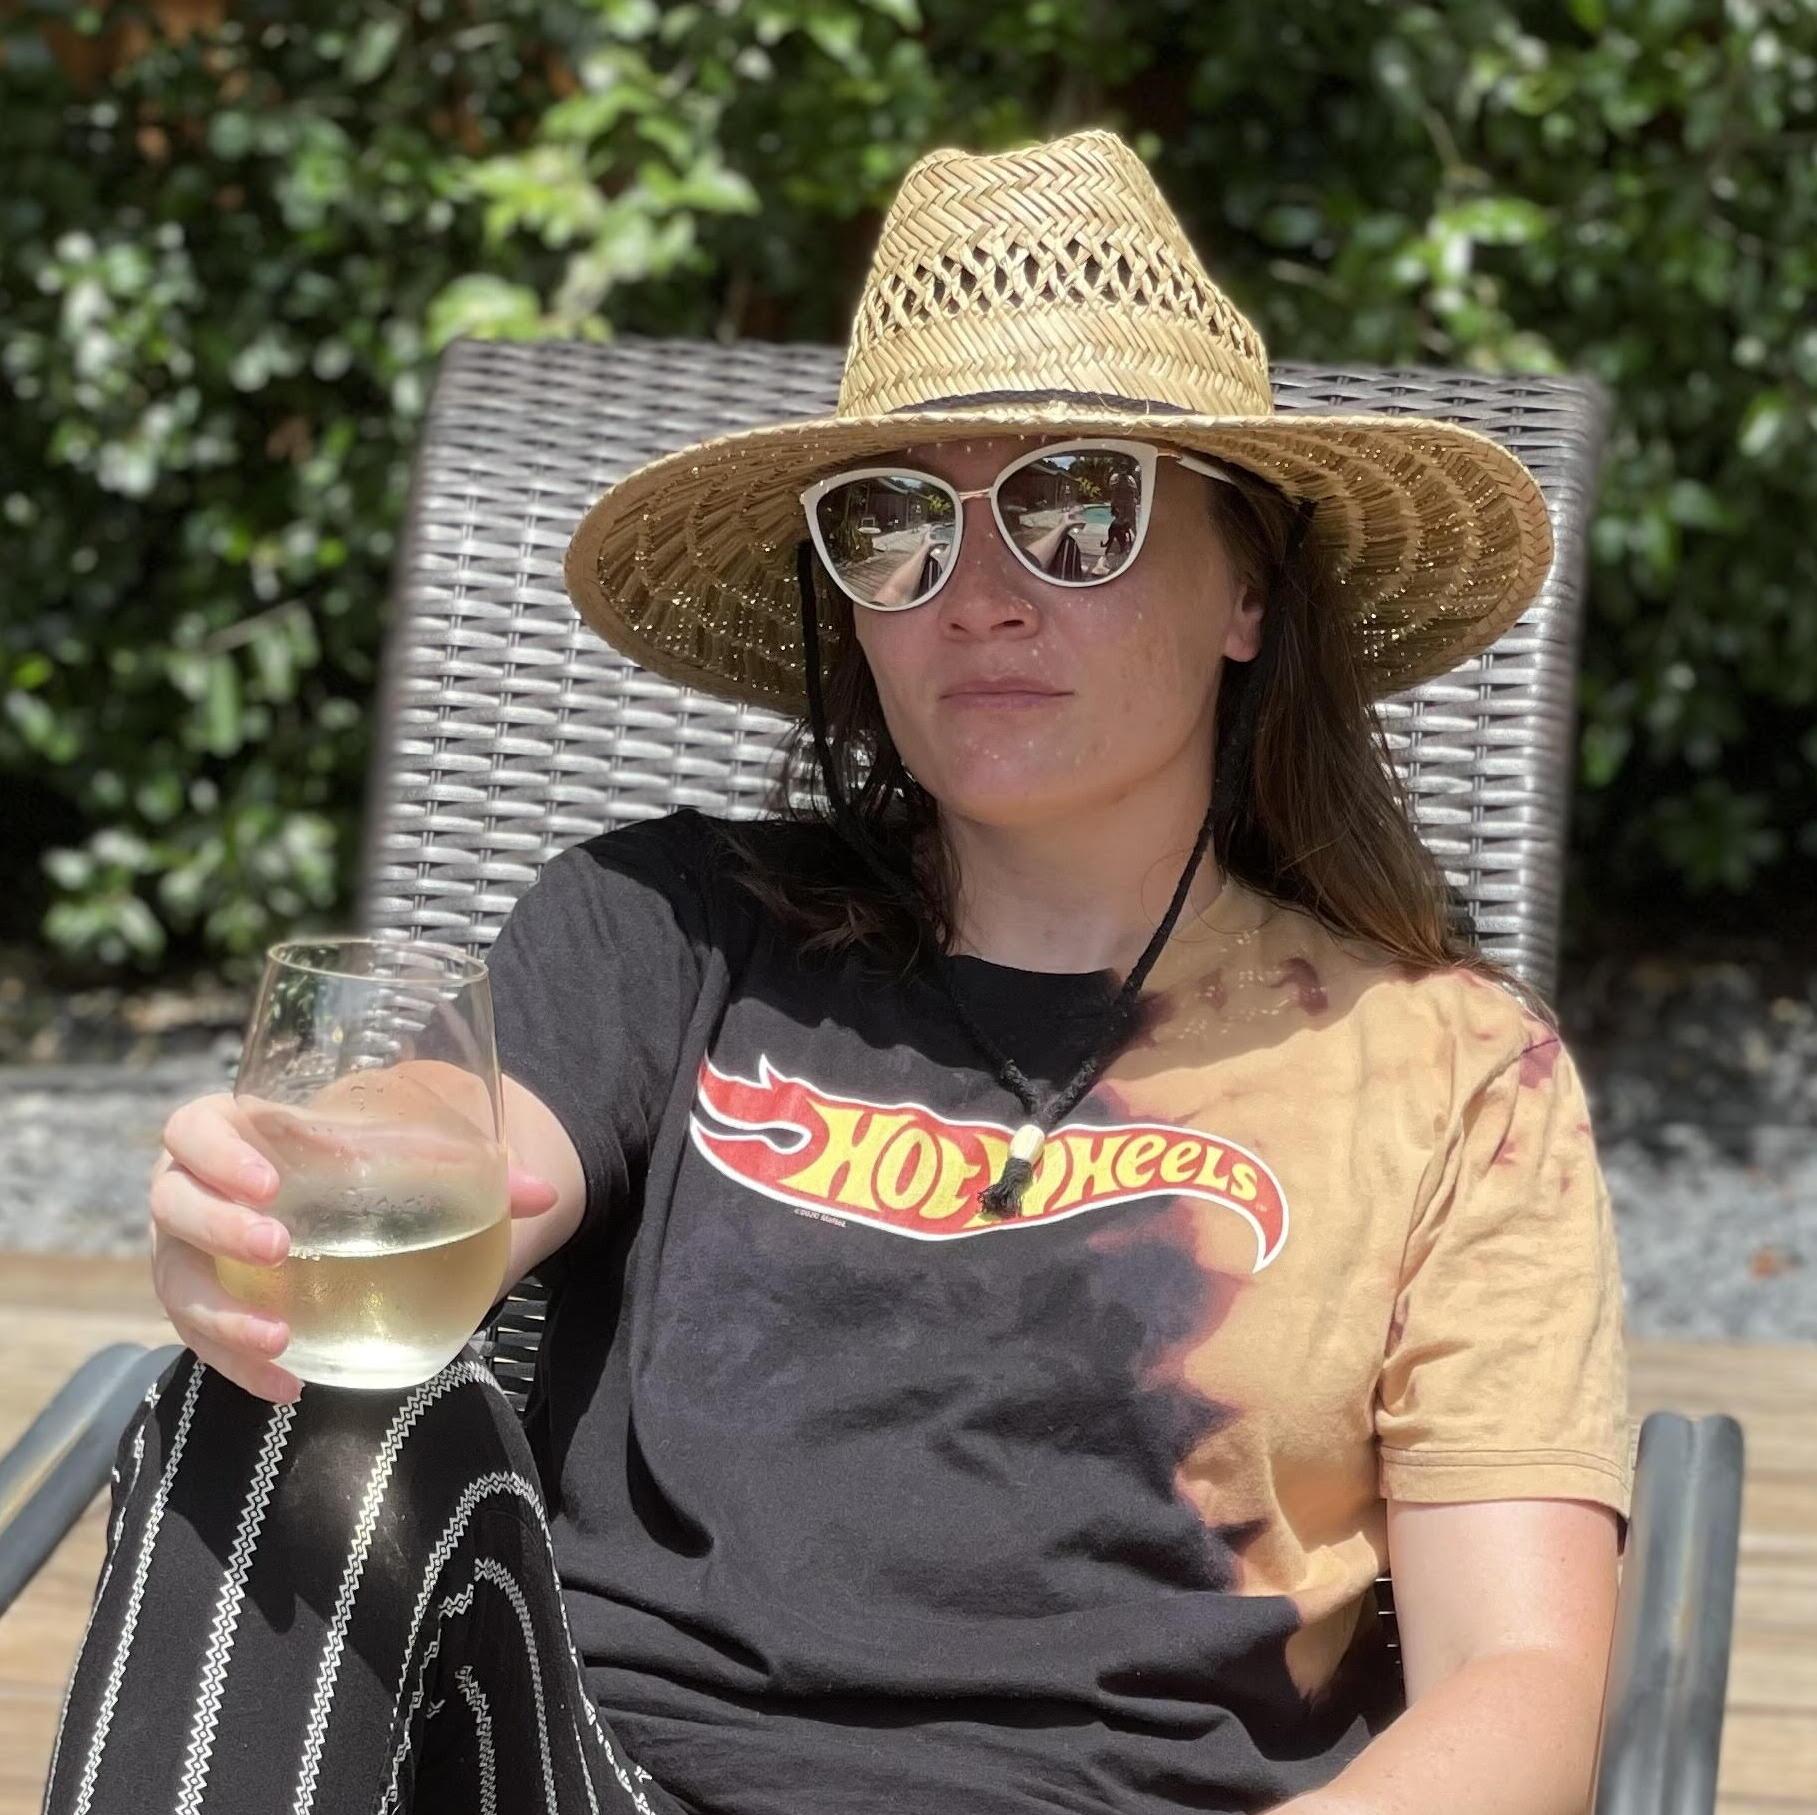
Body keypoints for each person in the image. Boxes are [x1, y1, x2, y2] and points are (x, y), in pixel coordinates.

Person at [44, 128, 1631, 1815]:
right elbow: (460, 1140)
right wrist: (291, 1199)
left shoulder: (1447, 1070)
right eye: (893, 526)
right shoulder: (673, 928)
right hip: (606, 1784)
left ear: (1245, 584)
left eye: (1076, 508)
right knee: (277, 1398)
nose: (978, 598)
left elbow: (1517, 1682)